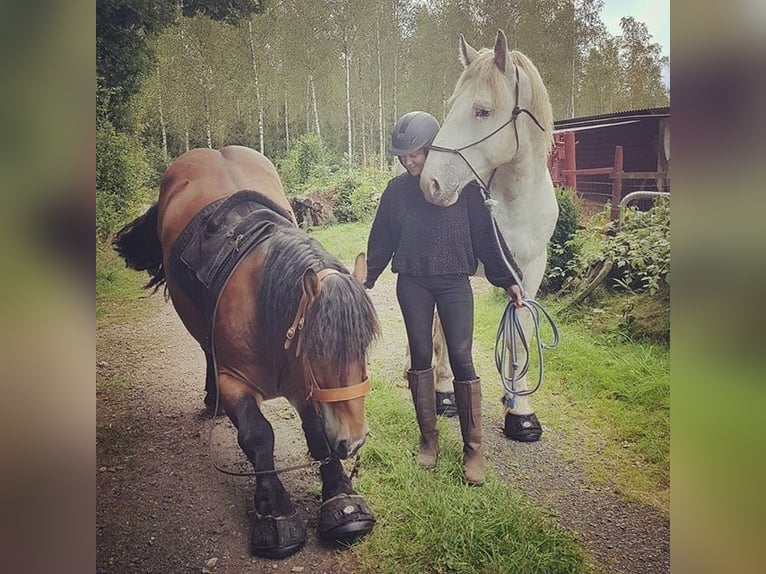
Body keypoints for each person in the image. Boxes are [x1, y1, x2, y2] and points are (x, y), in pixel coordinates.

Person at [364, 111, 524, 486]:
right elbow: (381, 241)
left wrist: (509, 278)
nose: (409, 162)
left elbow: (488, 238)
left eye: (415, 154)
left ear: (431, 148)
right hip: (413, 283)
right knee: (420, 357)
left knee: (463, 358)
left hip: (454, 283)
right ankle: (429, 441)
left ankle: (473, 450)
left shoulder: (465, 188)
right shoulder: (396, 192)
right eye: (403, 156)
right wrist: (365, 279)